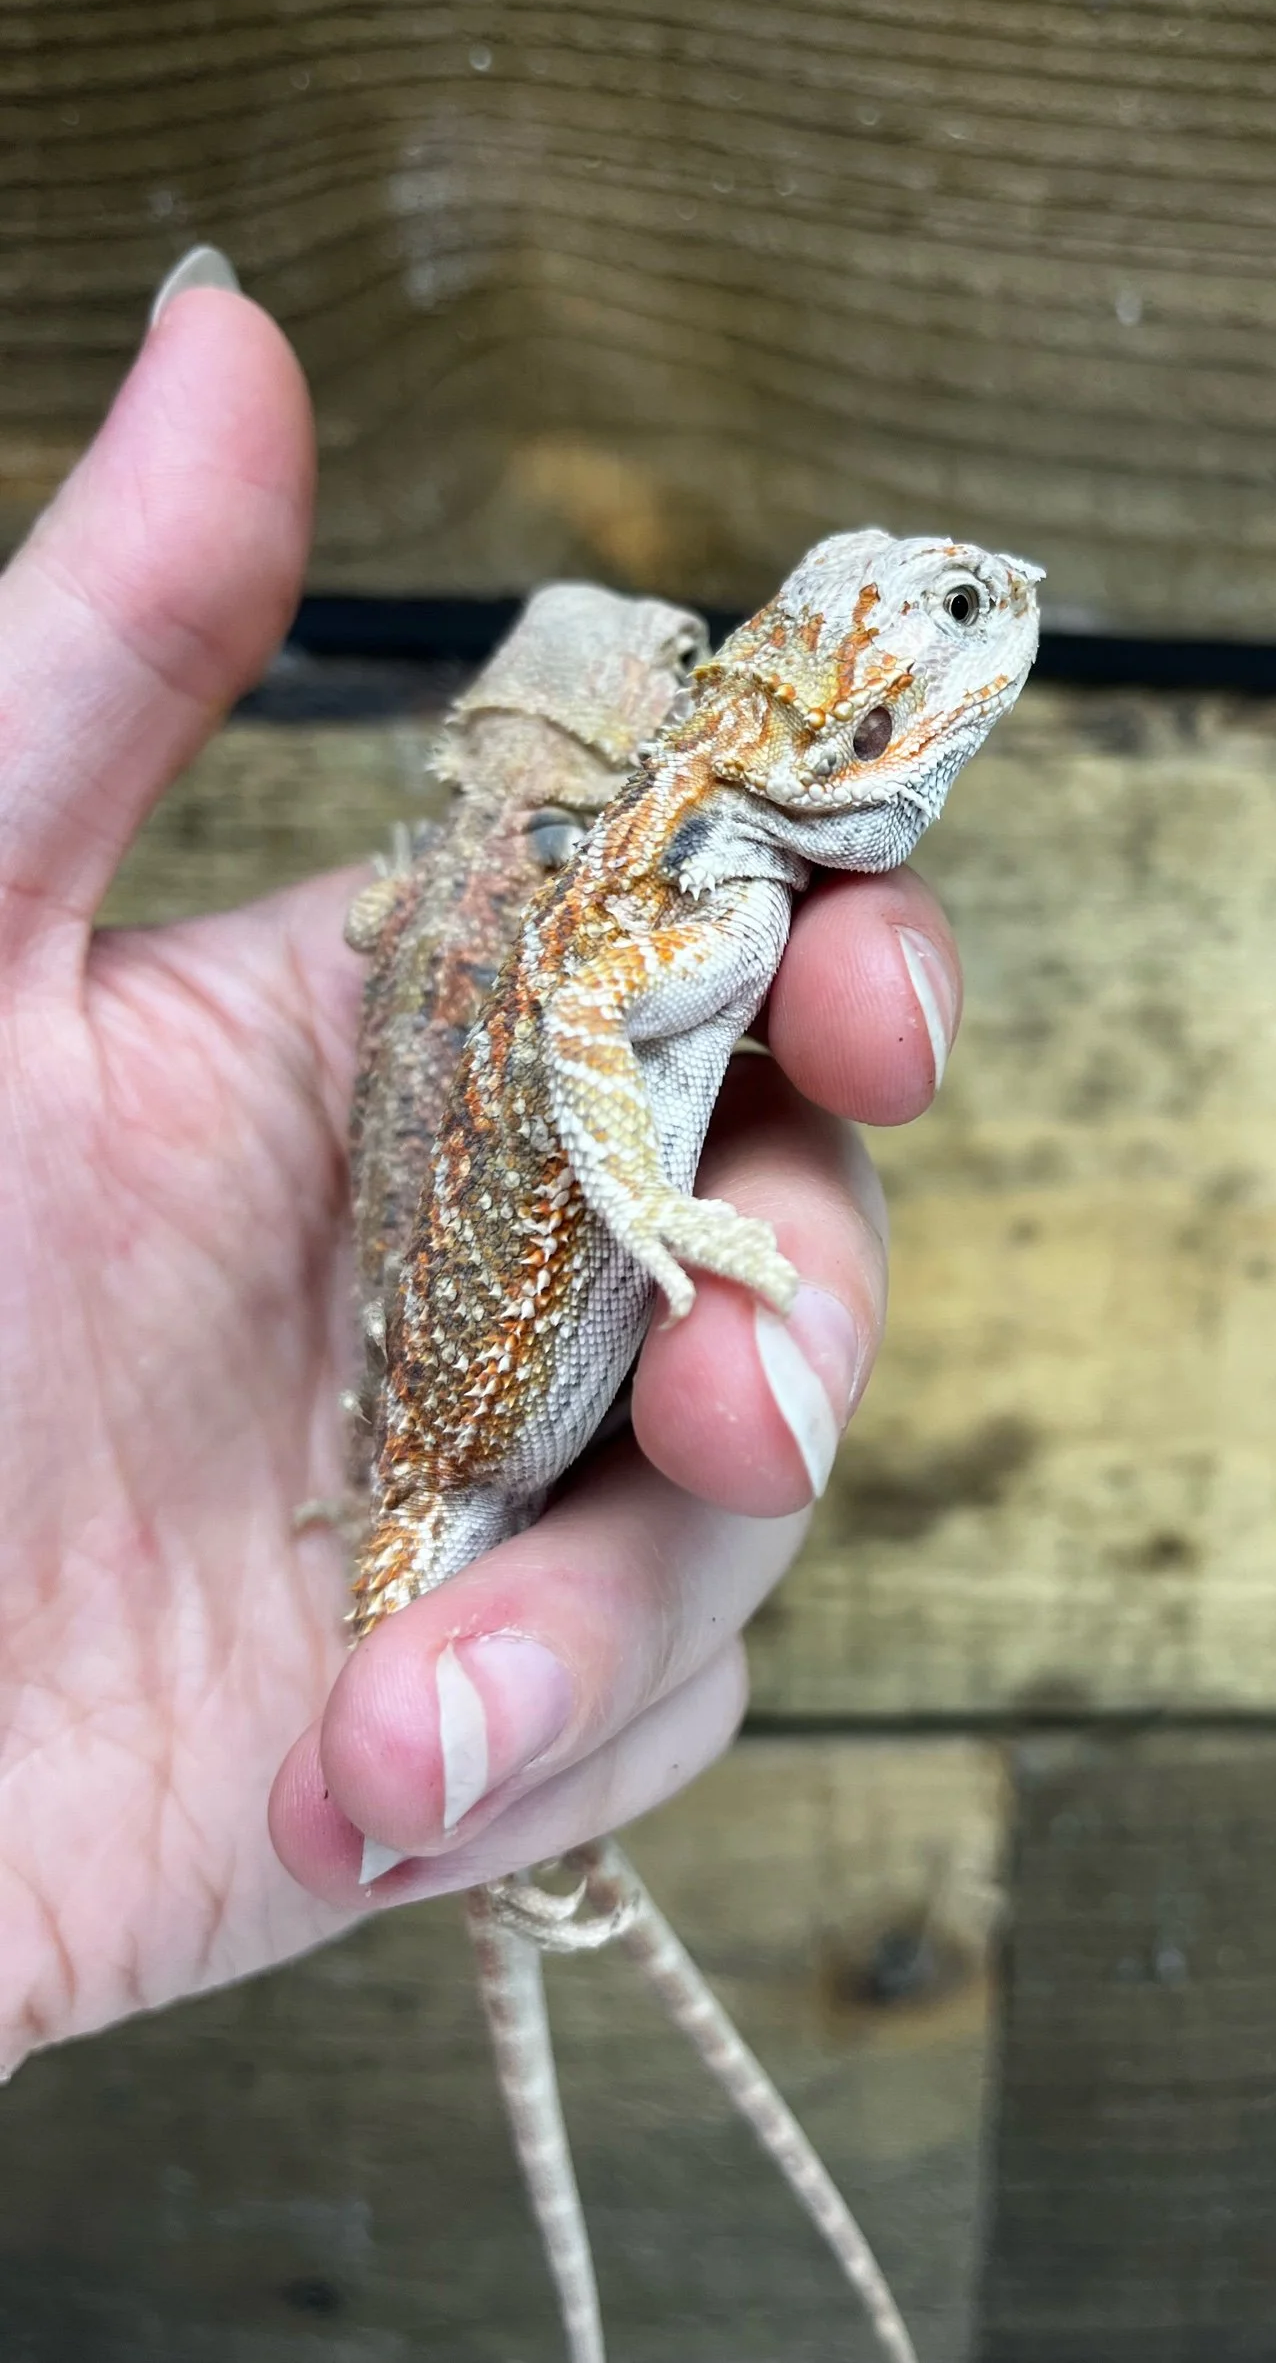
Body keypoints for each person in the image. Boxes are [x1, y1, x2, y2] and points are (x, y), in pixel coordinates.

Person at [0, 250, 963, 2078]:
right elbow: (572, 1023)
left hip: (429, 1406)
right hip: (451, 1417)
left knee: (493, 1717)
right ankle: (532, 1848)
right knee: (480, 1737)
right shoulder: (665, 902)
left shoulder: (673, 885)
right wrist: (669, 1213)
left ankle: (529, 1841)